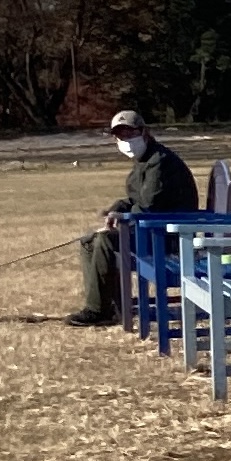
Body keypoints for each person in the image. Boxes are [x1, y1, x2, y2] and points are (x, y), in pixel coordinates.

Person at [68, 110, 198, 327]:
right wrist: (117, 208)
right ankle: (107, 305)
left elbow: (149, 206)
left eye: (131, 133)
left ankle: (98, 310)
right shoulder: (145, 160)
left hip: (169, 236)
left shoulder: (160, 162)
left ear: (144, 132)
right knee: (88, 242)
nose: (126, 140)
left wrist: (123, 217)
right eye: (121, 136)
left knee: (106, 241)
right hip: (153, 229)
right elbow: (136, 198)